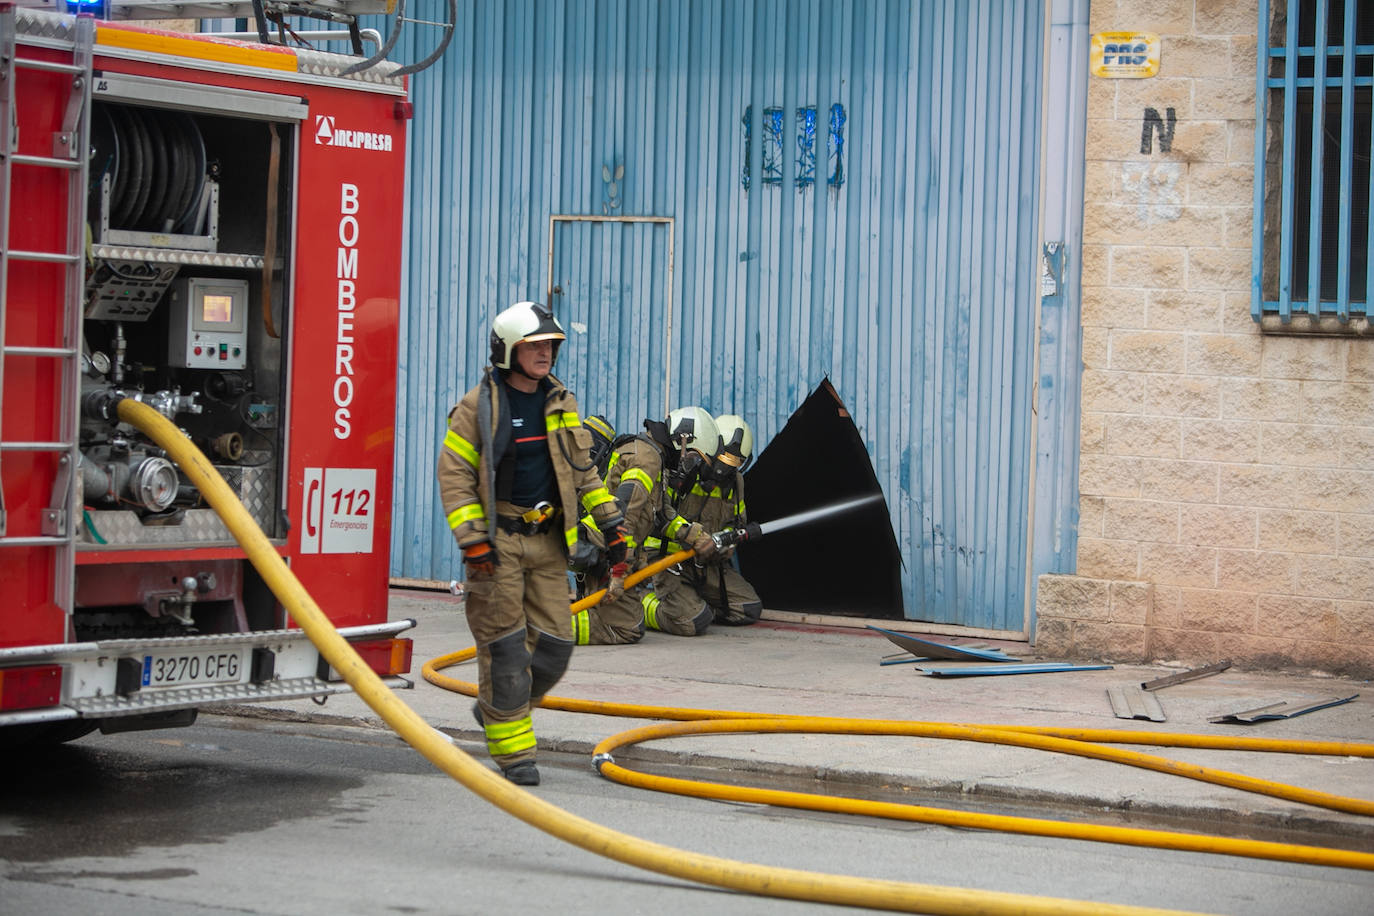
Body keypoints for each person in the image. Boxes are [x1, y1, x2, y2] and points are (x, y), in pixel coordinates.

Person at [436, 300, 625, 786]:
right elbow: (455, 477)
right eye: (534, 345)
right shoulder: (478, 407)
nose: (545, 354)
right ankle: (514, 753)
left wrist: (612, 527)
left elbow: (582, 471)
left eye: (550, 346)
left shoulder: (560, 402)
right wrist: (472, 539)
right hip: (497, 544)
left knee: (555, 648)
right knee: (505, 653)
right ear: (507, 350)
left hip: (548, 545)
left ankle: (498, 707)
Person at [572, 407, 720, 645]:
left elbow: (661, 516)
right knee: (624, 628)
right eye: (692, 457)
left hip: (605, 547)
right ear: (681, 439)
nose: (690, 467)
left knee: (629, 624)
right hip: (602, 547)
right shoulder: (648, 458)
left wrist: (694, 535)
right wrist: (619, 570)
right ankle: (545, 630)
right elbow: (625, 514)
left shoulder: (652, 455)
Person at [645, 413, 763, 631]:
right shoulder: (683, 472)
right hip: (667, 561)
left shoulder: (735, 484)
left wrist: (726, 542)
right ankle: (641, 605)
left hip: (705, 564)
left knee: (748, 608)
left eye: (734, 462)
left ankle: (692, 604)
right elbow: (659, 515)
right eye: (724, 458)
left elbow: (735, 523)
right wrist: (691, 535)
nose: (725, 467)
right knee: (692, 622)